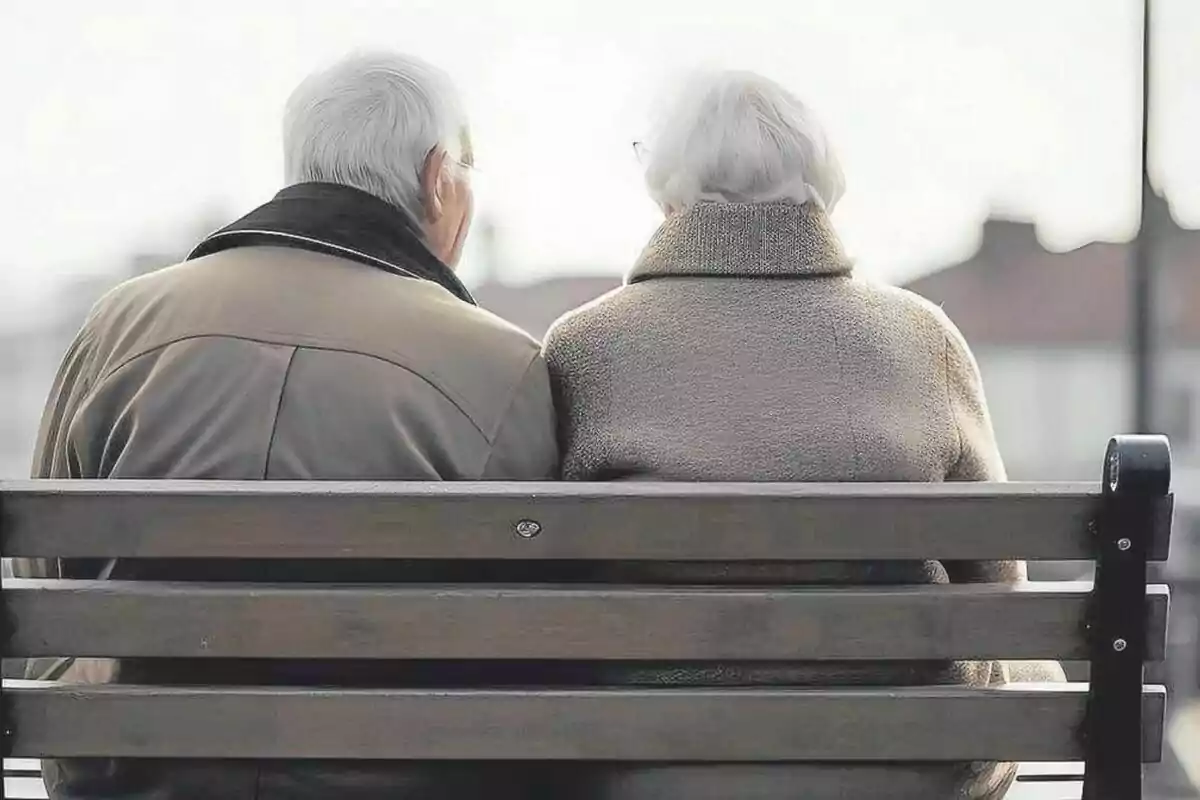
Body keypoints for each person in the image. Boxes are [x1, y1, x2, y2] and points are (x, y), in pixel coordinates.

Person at [20, 51, 556, 800]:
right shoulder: (502, 365)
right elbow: (531, 626)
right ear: (439, 177)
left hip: (135, 776)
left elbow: (47, 576)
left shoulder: (120, 325)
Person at [543, 69, 1062, 799]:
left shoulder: (582, 348)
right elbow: (1000, 592)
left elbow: (548, 585)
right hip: (906, 766)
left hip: (651, 764)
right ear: (823, 183)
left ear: (668, 193)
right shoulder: (922, 339)